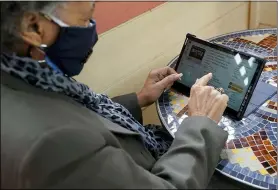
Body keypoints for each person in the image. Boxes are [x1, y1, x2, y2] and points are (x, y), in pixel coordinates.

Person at [1, 2, 229, 189]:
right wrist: (200, 123)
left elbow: (83, 115)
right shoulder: (54, 145)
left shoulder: (25, 75)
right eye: (84, 20)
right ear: (33, 27)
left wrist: (139, 99)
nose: (92, 30)